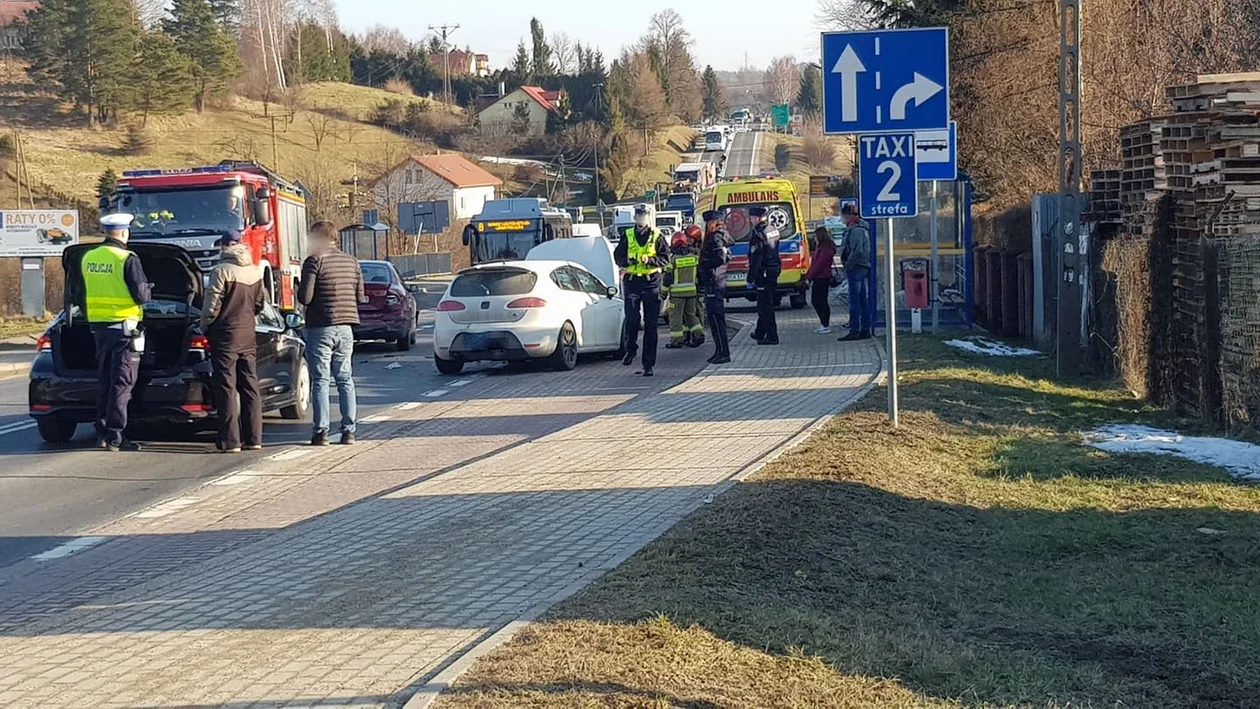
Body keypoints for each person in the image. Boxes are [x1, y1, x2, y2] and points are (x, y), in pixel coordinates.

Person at [82, 214, 151, 452]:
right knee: (122, 382)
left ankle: (101, 431)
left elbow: (80, 292)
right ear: (123, 233)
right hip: (124, 330)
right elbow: (141, 296)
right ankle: (116, 435)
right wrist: (149, 290)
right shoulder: (127, 258)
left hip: (98, 328)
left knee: (105, 379)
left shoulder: (88, 257)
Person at [298, 221, 364, 446]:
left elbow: (305, 298)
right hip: (346, 327)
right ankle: (349, 431)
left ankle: (321, 432)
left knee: (321, 380)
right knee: (345, 378)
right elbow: (360, 297)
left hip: (321, 326)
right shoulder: (351, 261)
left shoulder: (314, 261)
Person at [201, 230, 266, 453]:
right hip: (248, 333)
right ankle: (254, 438)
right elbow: (260, 304)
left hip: (224, 335)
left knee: (227, 386)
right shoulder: (254, 271)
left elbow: (211, 306)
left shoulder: (220, 271)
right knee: (250, 385)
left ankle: (231, 441)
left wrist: (204, 326)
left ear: (224, 247)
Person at [613, 204, 671, 377]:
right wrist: (627, 261)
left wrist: (651, 260)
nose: (641, 218)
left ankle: (648, 364)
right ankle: (631, 349)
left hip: (651, 283)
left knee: (651, 326)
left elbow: (666, 258)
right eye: (638, 215)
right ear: (635, 218)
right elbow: (618, 257)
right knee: (632, 320)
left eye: (644, 215)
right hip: (632, 282)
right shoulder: (628, 235)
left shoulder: (657, 235)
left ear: (648, 218)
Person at [698, 210, 732, 364]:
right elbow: (728, 256)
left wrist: (705, 265)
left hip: (714, 282)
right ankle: (720, 351)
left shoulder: (716, 237)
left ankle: (723, 352)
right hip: (716, 280)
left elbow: (720, 258)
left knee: (715, 319)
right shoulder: (722, 235)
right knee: (715, 318)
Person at [746, 206, 781, 346]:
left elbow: (756, 258)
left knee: (765, 306)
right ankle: (760, 331)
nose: (750, 220)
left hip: (763, 272)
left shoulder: (758, 234)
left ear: (757, 218)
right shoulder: (773, 229)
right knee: (766, 302)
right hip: (773, 269)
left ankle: (772, 336)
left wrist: (750, 277)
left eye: (751, 218)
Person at [839, 203, 873, 341]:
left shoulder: (856, 230)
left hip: (856, 267)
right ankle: (865, 329)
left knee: (854, 300)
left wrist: (848, 264)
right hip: (861, 266)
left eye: (843, 215)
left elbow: (857, 250)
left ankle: (855, 329)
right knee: (862, 299)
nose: (842, 218)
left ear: (849, 215)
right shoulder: (859, 228)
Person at [664, 231, 704, 349]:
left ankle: (676, 340)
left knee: (675, 317)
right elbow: (699, 276)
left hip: (677, 295)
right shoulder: (694, 258)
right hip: (692, 293)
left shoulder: (674, 260)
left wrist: (663, 293)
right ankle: (698, 334)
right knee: (691, 315)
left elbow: (668, 278)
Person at [805, 226, 838, 335]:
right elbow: (814, 263)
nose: (814, 238)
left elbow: (819, 265)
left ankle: (825, 324)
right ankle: (823, 323)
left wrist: (809, 278)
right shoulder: (820, 248)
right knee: (817, 301)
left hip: (822, 277)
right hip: (818, 277)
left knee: (820, 301)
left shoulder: (826, 249)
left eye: (815, 236)